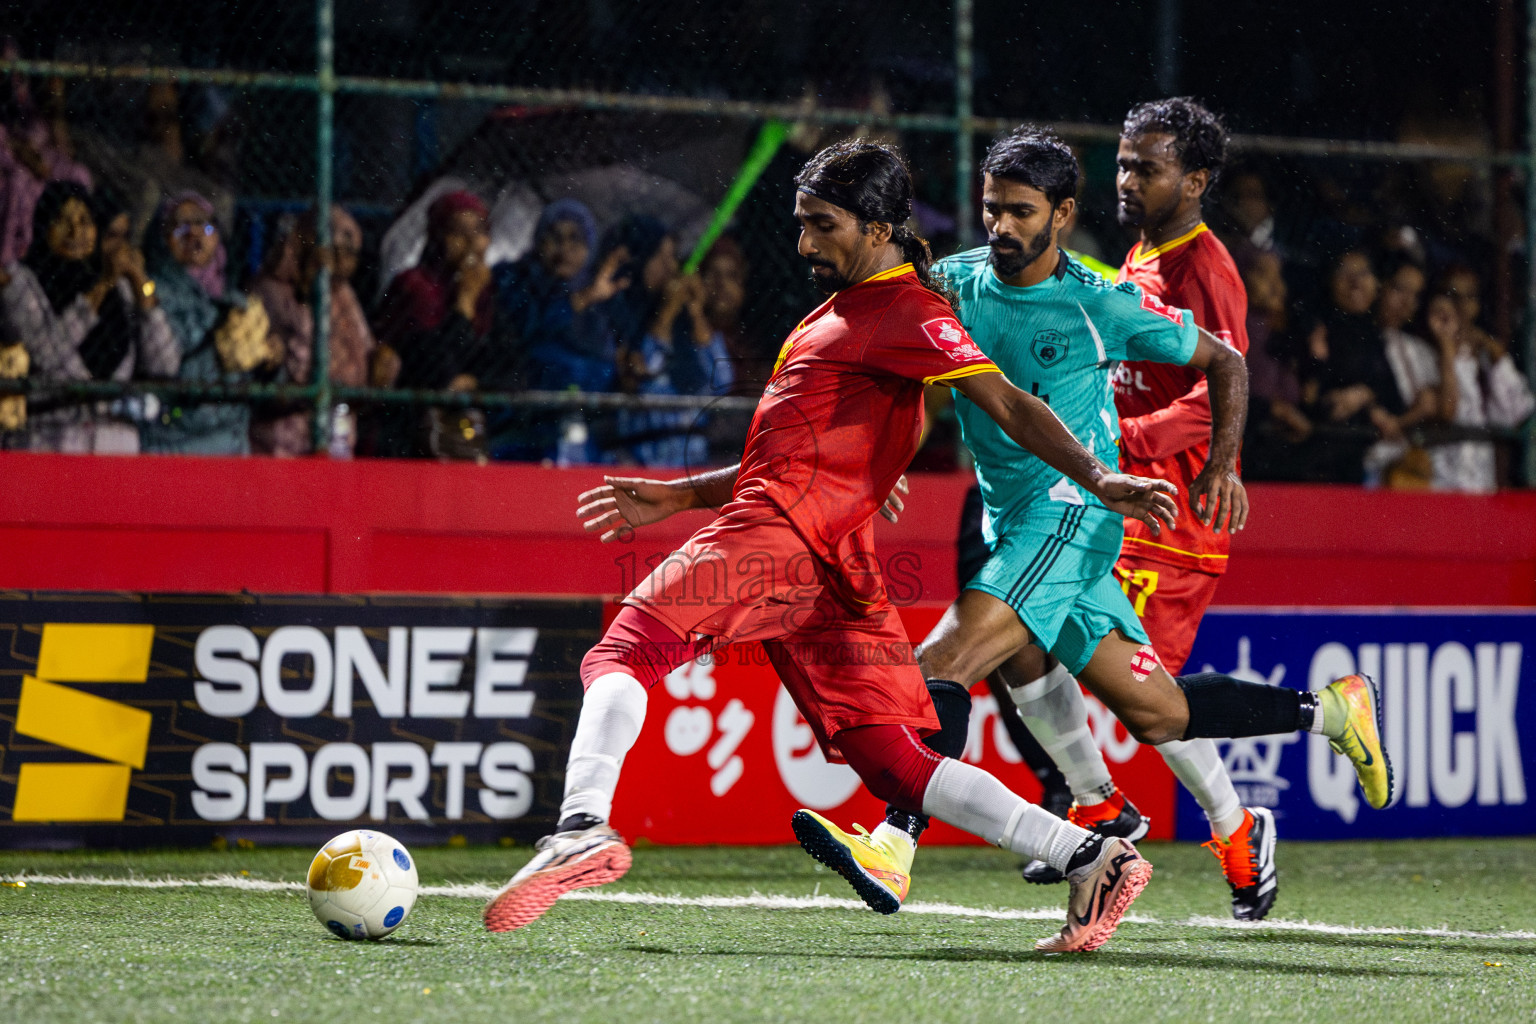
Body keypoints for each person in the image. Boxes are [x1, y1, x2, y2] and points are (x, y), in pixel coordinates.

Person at [482, 141, 1185, 954]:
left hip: (781, 535)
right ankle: (1089, 855)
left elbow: (1007, 403)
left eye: (824, 225)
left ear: (880, 226)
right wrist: (679, 495)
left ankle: (580, 826)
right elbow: (795, 449)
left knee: (624, 652)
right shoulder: (847, 312)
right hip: (826, 560)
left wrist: (1102, 478)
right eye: (801, 224)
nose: (807, 243)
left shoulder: (904, 310)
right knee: (895, 762)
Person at [792, 127, 1391, 923]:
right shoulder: (959, 283)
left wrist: (1220, 463)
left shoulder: (1100, 299)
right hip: (1016, 520)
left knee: (945, 658)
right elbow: (902, 366)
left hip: (1070, 515)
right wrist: (878, 460)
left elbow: (1225, 360)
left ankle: (896, 842)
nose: (1001, 227)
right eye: (992, 210)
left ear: (1063, 213)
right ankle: (1328, 711)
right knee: (1159, 711)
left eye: (1020, 212)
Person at [1, 182, 178, 452]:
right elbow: (48, 355)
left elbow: (164, 364)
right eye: (62, 220)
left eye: (85, 221)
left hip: (114, 445)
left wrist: (140, 282)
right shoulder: (22, 281)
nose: (76, 232)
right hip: (48, 441)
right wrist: (102, 286)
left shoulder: (122, 289)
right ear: (43, 226)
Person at [370, 190, 520, 461]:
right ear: (437, 238)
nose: (472, 243)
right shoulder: (417, 287)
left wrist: (475, 382)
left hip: (469, 431)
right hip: (411, 433)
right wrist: (464, 303)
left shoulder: (489, 295)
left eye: (479, 231)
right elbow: (435, 369)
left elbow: (510, 364)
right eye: (458, 233)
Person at [138, 190, 273, 456]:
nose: (194, 233)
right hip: (173, 446)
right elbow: (166, 371)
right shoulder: (152, 293)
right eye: (181, 226)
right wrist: (222, 349)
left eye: (205, 224)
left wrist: (270, 360)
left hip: (232, 447)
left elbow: (256, 385)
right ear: (161, 237)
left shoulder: (233, 299)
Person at [493, 198, 624, 461]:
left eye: (575, 239)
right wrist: (580, 300)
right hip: (524, 424)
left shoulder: (604, 298)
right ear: (538, 242)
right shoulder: (518, 282)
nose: (564, 249)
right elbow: (524, 332)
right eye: (554, 238)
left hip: (584, 430)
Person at [248, 205, 379, 457]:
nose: (341, 259)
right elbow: (293, 370)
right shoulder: (271, 291)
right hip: (281, 443)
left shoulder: (344, 296)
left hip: (336, 433)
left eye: (349, 252)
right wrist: (309, 296)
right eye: (332, 249)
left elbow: (362, 355)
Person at [1419, 273, 1534, 492]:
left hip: (1479, 480)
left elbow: (1517, 414)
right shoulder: (1423, 351)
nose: (1461, 305)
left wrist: (1495, 354)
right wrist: (1447, 348)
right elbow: (1446, 412)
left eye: (1469, 297)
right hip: (1437, 479)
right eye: (1453, 296)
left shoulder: (1484, 355)